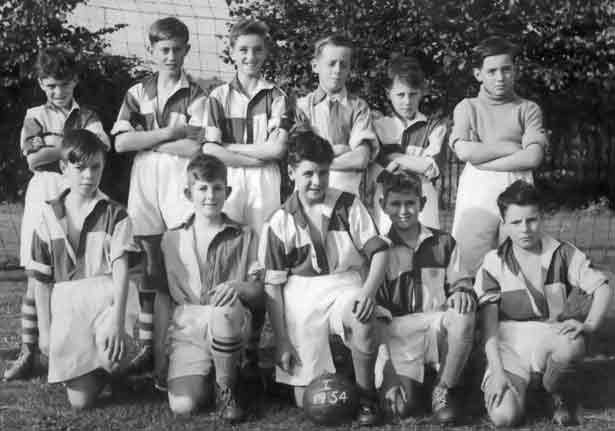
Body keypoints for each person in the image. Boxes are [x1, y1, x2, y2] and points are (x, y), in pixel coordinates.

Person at [260, 130, 389, 426]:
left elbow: (379, 253)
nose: (317, 182)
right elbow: (273, 286)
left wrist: (368, 293)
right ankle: (302, 378)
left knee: (363, 317)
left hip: (345, 282)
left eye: (323, 173)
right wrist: (281, 340)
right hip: (301, 295)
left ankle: (367, 397)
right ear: (291, 172)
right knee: (308, 400)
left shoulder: (348, 204)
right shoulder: (279, 221)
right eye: (308, 174)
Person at [5, 46, 111, 381]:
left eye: (63, 84)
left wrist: (57, 148)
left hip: (78, 190)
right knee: (37, 275)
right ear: (40, 84)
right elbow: (34, 160)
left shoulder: (88, 115)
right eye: (51, 85)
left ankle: (75, 349)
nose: (58, 91)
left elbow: (100, 149)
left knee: (75, 272)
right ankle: (28, 351)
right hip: (45, 189)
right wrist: (73, 147)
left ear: (75, 81)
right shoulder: (34, 114)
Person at [111, 17, 207, 382]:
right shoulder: (136, 92)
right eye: (163, 50)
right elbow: (120, 143)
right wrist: (168, 132)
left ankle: (182, 346)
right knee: (150, 268)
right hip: (144, 184)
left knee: (181, 265)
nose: (170, 56)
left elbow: (194, 145)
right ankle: (150, 349)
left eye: (177, 49)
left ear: (186, 50)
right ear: (151, 50)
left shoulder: (197, 95)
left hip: (177, 183)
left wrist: (146, 136)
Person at [474, 180, 612, 427]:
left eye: (532, 220)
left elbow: (601, 286)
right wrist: (496, 371)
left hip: (548, 336)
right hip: (508, 345)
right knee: (505, 418)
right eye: (516, 222)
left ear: (542, 218)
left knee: (571, 343)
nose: (525, 229)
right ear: (504, 224)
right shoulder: (493, 261)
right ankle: (527, 390)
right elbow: (490, 328)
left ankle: (553, 393)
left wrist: (589, 325)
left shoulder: (562, 253)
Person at [26, 129, 140, 409]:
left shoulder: (115, 213)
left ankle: (115, 367)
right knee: (80, 402)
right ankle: (93, 369)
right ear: (64, 168)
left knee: (112, 353)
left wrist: (116, 321)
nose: (88, 176)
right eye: (80, 168)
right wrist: (46, 330)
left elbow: (122, 272)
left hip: (108, 300)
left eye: (95, 167)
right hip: (69, 305)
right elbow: (41, 281)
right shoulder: (48, 216)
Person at [203, 18, 291, 376]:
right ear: (232, 53)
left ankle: (253, 344)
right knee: (226, 253)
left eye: (257, 50)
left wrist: (232, 148)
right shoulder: (217, 97)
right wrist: (254, 152)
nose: (250, 56)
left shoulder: (278, 96)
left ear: (266, 53)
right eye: (243, 50)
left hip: (264, 183)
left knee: (260, 262)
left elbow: (278, 150)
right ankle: (223, 339)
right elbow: (209, 147)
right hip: (231, 180)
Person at [159, 154, 264, 422]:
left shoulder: (244, 235)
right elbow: (161, 298)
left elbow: (259, 292)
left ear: (227, 191)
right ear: (188, 193)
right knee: (183, 406)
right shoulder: (171, 238)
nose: (210, 196)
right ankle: (221, 373)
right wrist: (160, 354)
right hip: (189, 326)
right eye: (202, 188)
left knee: (224, 311)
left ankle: (226, 388)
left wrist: (238, 286)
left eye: (217, 188)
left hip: (229, 322)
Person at [375, 170, 475, 424]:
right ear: (382, 205)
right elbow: (376, 315)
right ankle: (416, 382)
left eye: (410, 203)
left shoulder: (443, 242)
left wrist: (462, 292)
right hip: (399, 330)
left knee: (463, 315)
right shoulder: (378, 248)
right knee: (399, 409)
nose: (404, 210)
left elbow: (461, 282)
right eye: (395, 204)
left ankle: (444, 388)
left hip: (436, 322)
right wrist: (387, 369)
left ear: (423, 203)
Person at [449, 36, 548, 276]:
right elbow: (464, 151)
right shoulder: (467, 107)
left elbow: (532, 157)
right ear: (478, 74)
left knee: (517, 257)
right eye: (491, 71)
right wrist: (511, 146)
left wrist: (483, 157)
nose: (500, 77)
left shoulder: (528, 108)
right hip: (477, 188)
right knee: (469, 255)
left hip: (517, 184)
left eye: (506, 70)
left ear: (515, 71)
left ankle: (515, 309)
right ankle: (467, 306)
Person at [295, 34, 379, 201]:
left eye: (344, 65)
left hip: (345, 196)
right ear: (315, 66)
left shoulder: (359, 107)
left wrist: (318, 160)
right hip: (308, 196)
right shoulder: (302, 107)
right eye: (331, 63)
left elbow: (360, 159)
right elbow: (301, 158)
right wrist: (342, 150)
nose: (337, 70)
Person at [371, 56, 447, 231]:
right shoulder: (379, 126)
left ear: (421, 92)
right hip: (387, 196)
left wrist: (394, 158)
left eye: (413, 94)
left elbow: (432, 167)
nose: (407, 101)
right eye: (400, 94)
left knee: (426, 248)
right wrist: (416, 163)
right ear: (388, 92)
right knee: (388, 247)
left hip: (423, 198)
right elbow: (377, 169)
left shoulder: (434, 126)